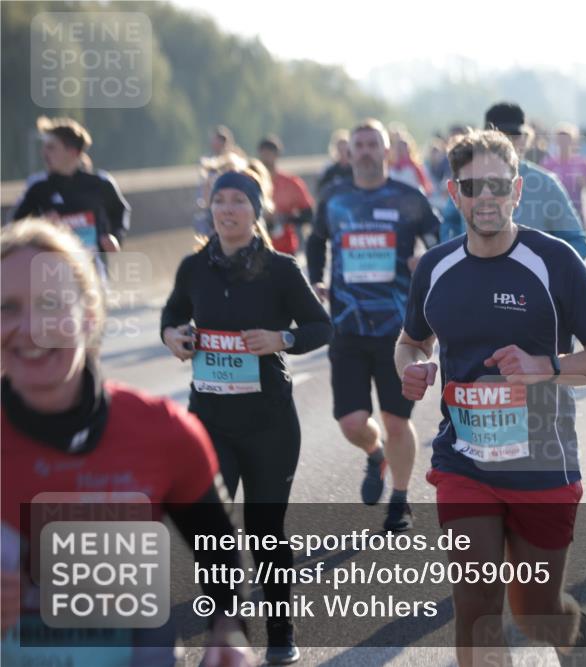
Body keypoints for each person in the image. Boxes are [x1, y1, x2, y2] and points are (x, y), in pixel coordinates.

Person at [396, 129, 586, 667]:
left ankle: (574, 635)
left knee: (536, 613)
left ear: (517, 190)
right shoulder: (436, 268)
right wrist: (413, 368)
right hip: (463, 461)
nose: (487, 197)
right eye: (474, 187)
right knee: (475, 606)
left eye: (498, 185)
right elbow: (409, 341)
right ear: (455, 195)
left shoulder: (555, 261)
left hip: (543, 464)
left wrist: (550, 366)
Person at [1, 218, 251, 667]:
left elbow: (221, 555)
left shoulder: (163, 431)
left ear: (90, 316)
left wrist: (227, 631)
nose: (32, 327)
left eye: (51, 302)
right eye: (7, 308)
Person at [161, 167, 332, 664]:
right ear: (210, 209)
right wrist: (173, 336)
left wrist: (284, 339)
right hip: (209, 419)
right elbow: (170, 318)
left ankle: (280, 637)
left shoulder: (280, 269)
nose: (227, 210)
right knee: (212, 533)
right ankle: (227, 639)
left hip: (269, 423)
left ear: (258, 211)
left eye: (238, 201)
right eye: (220, 201)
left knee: (264, 530)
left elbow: (321, 327)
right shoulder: (194, 268)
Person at [306, 119, 440, 532]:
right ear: (349, 153)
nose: (364, 151)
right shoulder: (334, 197)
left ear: (387, 152)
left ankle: (399, 501)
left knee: (397, 420)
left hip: (397, 330)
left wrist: (426, 260)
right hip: (346, 324)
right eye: (358, 145)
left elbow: (439, 239)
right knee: (351, 422)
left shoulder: (407, 197)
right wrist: (316, 280)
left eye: (372, 145)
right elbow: (315, 241)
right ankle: (375, 452)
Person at [10, 117, 130, 266]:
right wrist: (40, 224)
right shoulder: (37, 187)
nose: (43, 152)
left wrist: (115, 237)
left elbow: (120, 212)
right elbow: (15, 228)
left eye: (51, 147)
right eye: (44, 146)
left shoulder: (101, 183)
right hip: (51, 272)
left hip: (93, 272)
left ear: (72, 152)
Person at [484, 102, 586, 259]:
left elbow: (577, 243)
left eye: (513, 136)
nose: (505, 143)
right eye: (498, 136)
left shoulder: (546, 184)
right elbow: (449, 223)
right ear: (482, 140)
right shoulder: (467, 182)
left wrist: (546, 272)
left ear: (525, 139)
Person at [258, 135, 314, 253]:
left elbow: (308, 214)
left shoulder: (291, 183)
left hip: (285, 247)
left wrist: (284, 218)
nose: (266, 158)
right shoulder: (252, 182)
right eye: (264, 154)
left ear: (277, 155)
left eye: (270, 154)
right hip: (258, 247)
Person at [542, 123, 586, 224]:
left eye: (567, 139)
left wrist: (583, 181)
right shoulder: (548, 163)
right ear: (556, 141)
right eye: (560, 140)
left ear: (573, 141)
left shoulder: (581, 163)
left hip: (576, 211)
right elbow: (543, 188)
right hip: (555, 212)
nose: (563, 143)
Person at [388, 126, 434, 195]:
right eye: (399, 149)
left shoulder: (415, 167)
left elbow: (425, 185)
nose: (402, 151)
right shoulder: (390, 167)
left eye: (404, 148)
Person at [316, 129, 354, 194]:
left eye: (345, 150)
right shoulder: (330, 171)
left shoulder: (356, 169)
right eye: (340, 150)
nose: (343, 153)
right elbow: (321, 190)